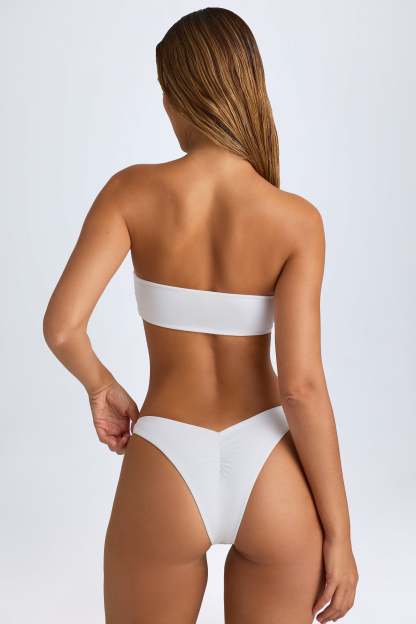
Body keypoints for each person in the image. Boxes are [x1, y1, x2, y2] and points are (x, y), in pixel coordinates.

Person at [43, 7, 358, 624]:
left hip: (165, 457)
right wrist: (340, 537)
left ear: (175, 98)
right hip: (271, 467)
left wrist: (101, 387)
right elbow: (301, 387)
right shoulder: (296, 220)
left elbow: (62, 328)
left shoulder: (130, 192)